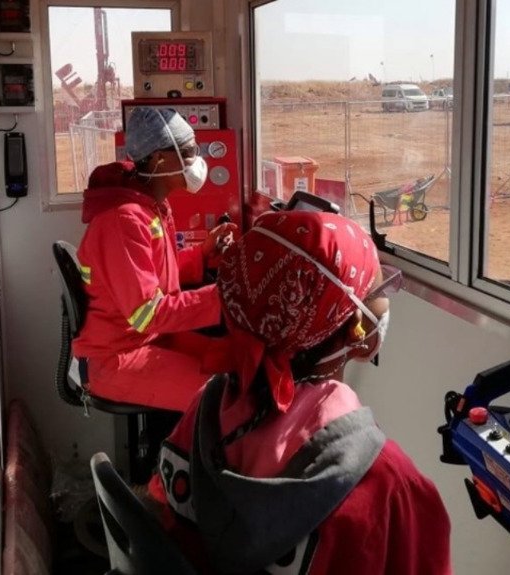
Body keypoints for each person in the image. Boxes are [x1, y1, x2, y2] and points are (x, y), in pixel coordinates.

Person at [145, 210, 452, 574]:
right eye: (380, 290)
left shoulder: (206, 410)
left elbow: (161, 517)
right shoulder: (390, 485)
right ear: (354, 325)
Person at [73, 107, 238, 412]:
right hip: (116, 357)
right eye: (188, 152)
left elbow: (156, 276)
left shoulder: (149, 205)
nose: (197, 160)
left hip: (148, 339)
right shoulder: (122, 220)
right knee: (227, 401)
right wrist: (227, 295)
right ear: (160, 158)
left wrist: (203, 254)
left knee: (235, 364)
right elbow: (147, 313)